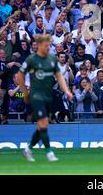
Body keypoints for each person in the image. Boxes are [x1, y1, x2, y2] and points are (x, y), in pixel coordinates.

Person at [17, 34, 73, 162]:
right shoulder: (32, 59)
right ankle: (49, 152)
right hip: (36, 96)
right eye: (46, 45)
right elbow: (19, 76)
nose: (48, 48)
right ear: (40, 45)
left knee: (41, 126)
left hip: (48, 96)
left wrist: (67, 91)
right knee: (44, 123)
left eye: (49, 45)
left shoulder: (52, 59)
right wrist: (25, 93)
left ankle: (28, 149)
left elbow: (59, 76)